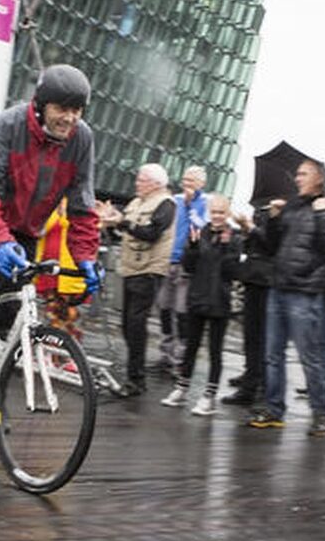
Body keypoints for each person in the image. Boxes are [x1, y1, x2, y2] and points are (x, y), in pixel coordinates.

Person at [0, 64, 101, 382]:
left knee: (16, 298)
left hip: (30, 226)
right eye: (61, 109)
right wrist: (0, 241)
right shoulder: (9, 125)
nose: (70, 118)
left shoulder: (82, 139)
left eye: (77, 110)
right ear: (40, 104)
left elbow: (82, 207)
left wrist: (87, 258)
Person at [246, 158, 325, 436]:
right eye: (298, 174)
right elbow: (271, 246)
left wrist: (323, 212)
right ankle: (275, 409)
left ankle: (320, 412)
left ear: (319, 179)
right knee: (272, 355)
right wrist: (274, 221)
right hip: (278, 287)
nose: (297, 179)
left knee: (308, 357)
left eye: (303, 174)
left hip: (305, 292)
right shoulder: (292, 205)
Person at [98, 163, 175, 395]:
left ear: (155, 183)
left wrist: (122, 222)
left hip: (148, 270)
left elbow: (151, 233)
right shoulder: (136, 202)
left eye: (141, 180)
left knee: (136, 324)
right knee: (127, 325)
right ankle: (134, 372)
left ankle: (136, 380)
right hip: (130, 268)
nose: (136, 183)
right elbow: (122, 230)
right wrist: (111, 221)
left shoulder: (166, 204)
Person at [163, 193, 242, 415]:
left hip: (219, 300)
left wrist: (226, 248)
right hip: (197, 297)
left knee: (215, 351)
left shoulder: (234, 237)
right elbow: (189, 266)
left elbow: (232, 272)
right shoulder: (201, 232)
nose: (216, 216)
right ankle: (182, 388)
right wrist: (194, 246)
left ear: (227, 213)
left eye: (221, 212)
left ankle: (209, 395)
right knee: (191, 347)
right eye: (213, 212)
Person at [157, 165, 208, 371]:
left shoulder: (205, 203)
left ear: (201, 184)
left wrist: (189, 206)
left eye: (192, 181)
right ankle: (165, 352)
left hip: (187, 265)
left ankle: (181, 358)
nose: (186, 184)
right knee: (163, 307)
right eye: (185, 180)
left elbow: (201, 227)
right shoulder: (174, 200)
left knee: (181, 311)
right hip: (168, 260)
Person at [222, 204, 274, 407]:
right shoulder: (263, 209)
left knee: (262, 337)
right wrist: (245, 230)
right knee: (251, 335)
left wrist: (250, 228)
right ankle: (251, 382)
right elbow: (256, 243)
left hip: (268, 279)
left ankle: (260, 386)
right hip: (254, 276)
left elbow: (272, 244)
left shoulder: (283, 212)